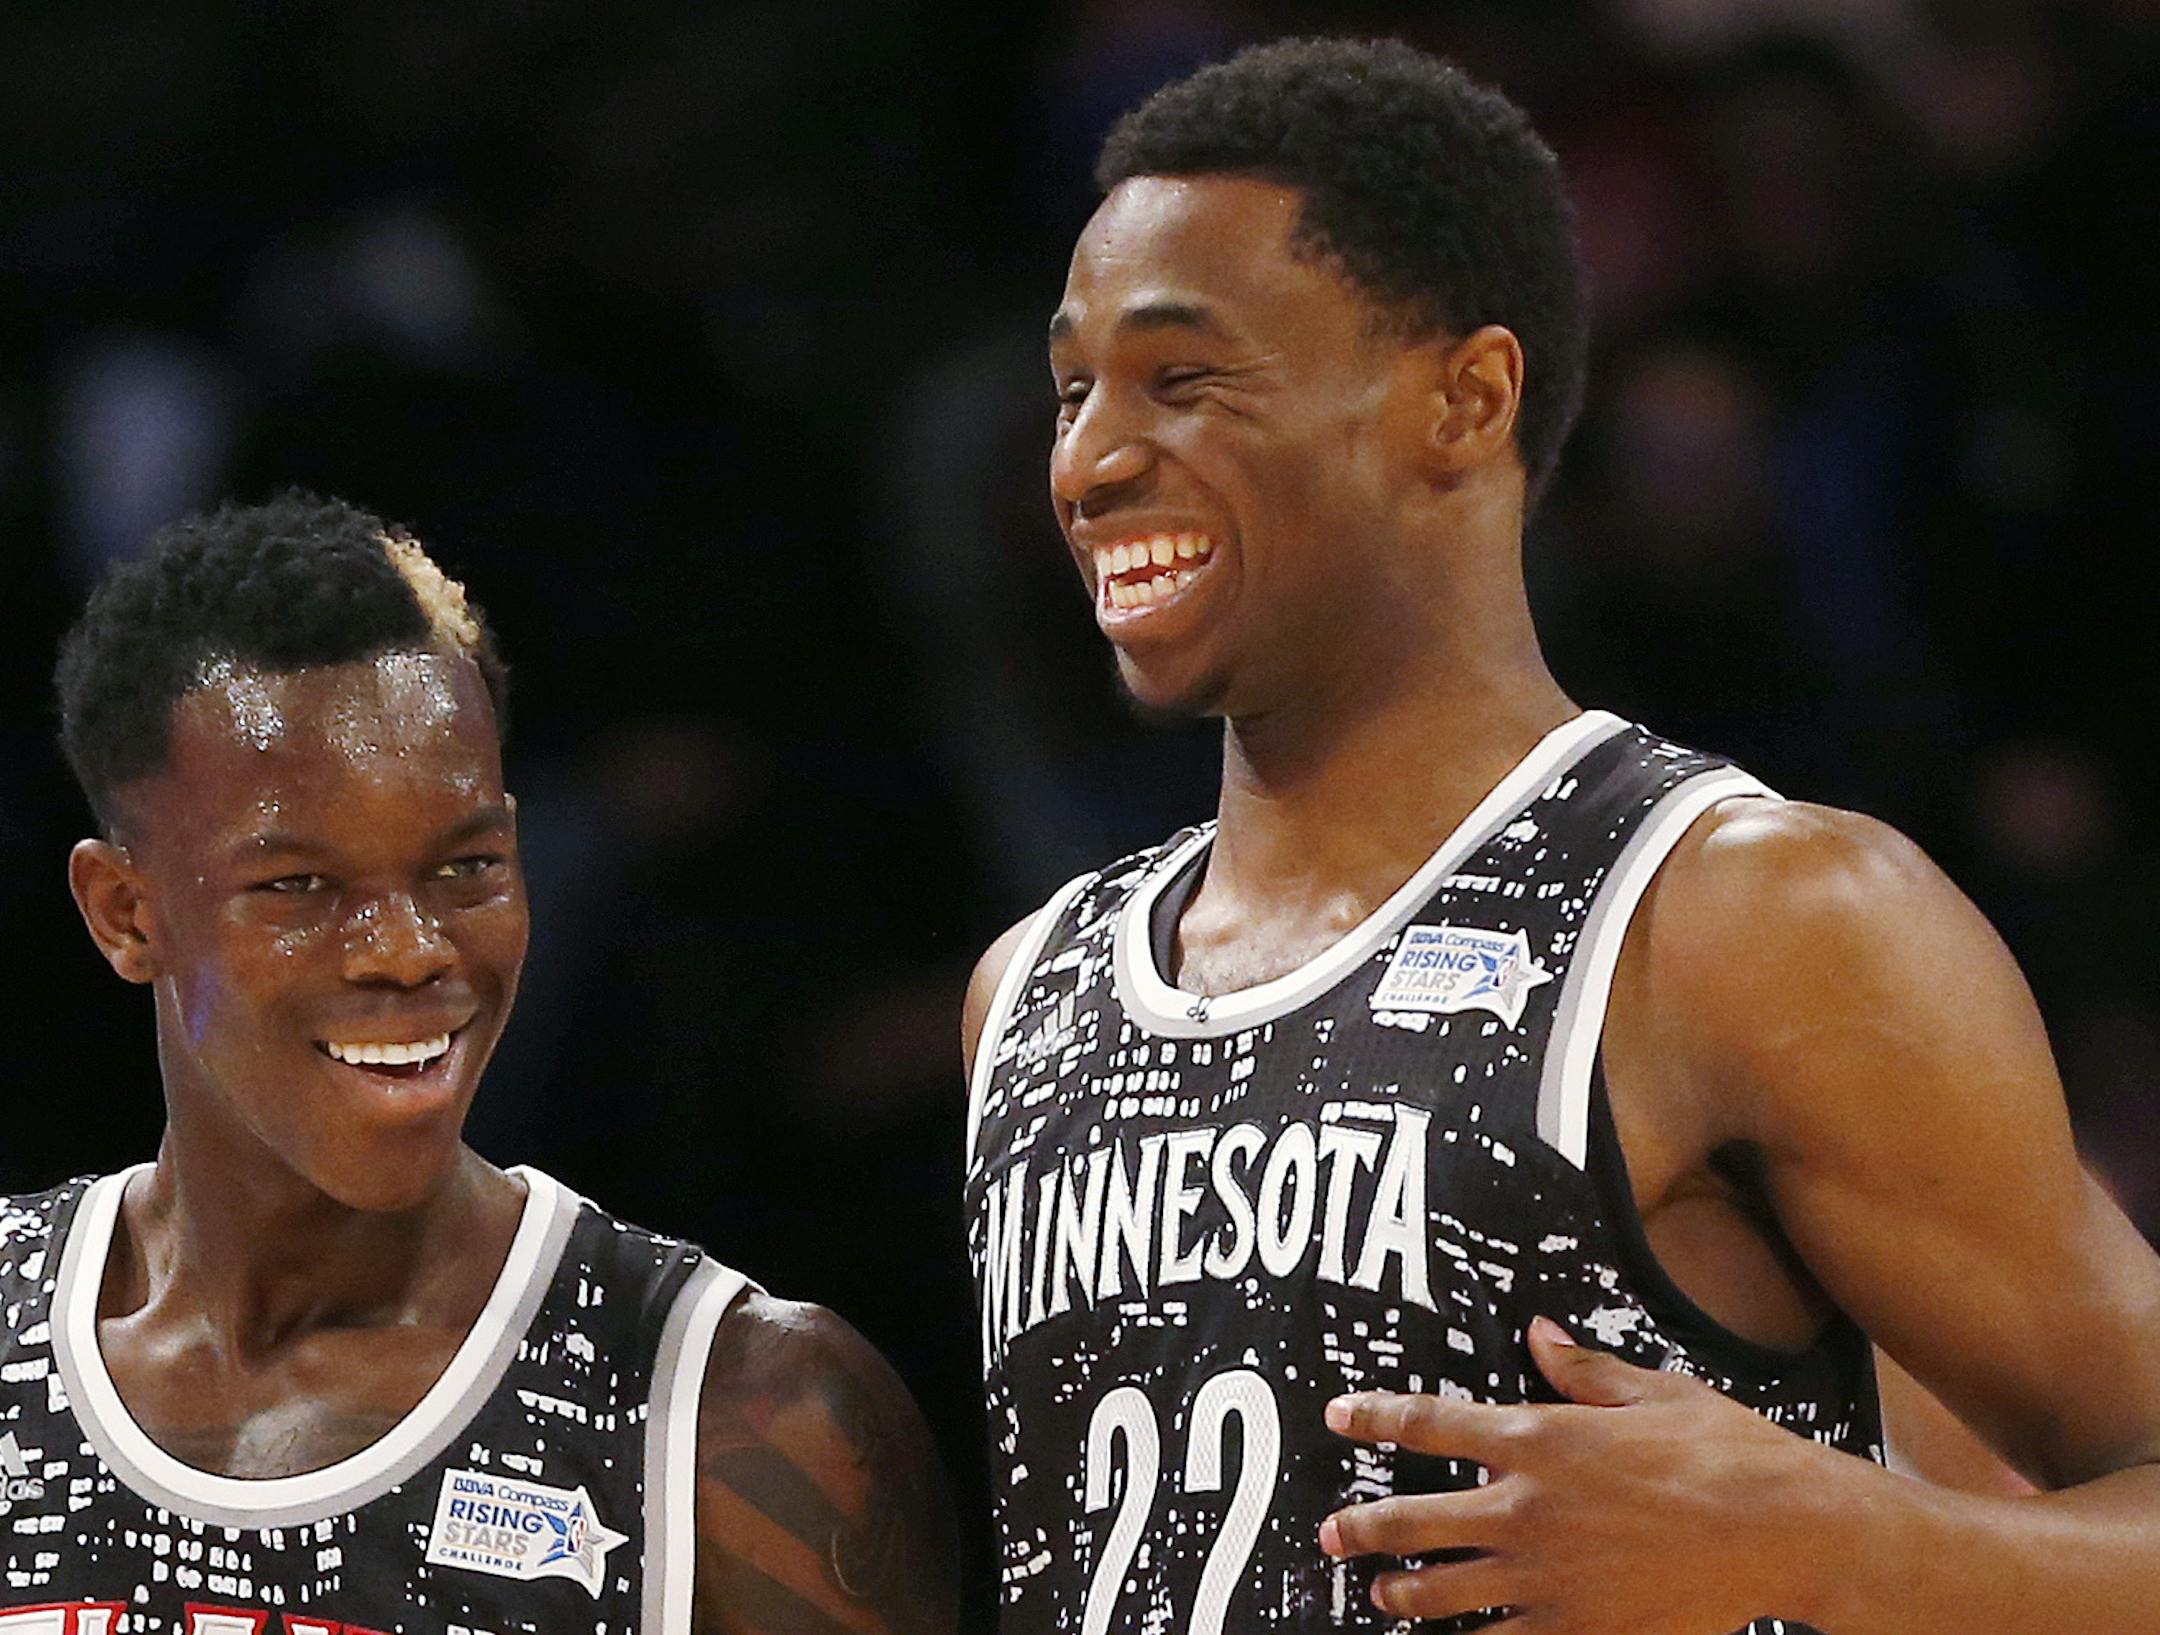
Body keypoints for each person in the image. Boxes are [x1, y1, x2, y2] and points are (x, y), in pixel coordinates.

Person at [961, 37, 2160, 1635]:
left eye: (1184, 379)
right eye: (1072, 388)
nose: (1091, 460)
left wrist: (1855, 1539)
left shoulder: (1749, 914)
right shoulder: (1026, 995)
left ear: (1466, 398)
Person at [20, 493, 956, 1634]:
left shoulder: (742, 1414)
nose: (412, 951)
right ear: (126, 913)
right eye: (301, 886)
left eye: (464, 868)